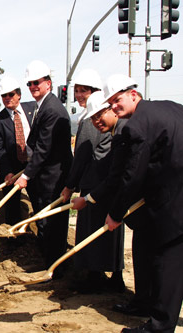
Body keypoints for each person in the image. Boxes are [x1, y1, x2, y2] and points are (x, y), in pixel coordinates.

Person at [102, 74, 183, 333]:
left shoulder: (136, 126)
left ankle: (159, 327)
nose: (114, 106)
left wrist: (115, 213)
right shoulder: (171, 106)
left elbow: (132, 176)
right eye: (111, 103)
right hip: (172, 192)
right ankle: (146, 304)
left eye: (118, 100)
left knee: (167, 261)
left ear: (133, 94)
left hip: (173, 202)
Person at [15, 60, 73, 276]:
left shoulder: (52, 109)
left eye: (36, 83)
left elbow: (44, 148)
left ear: (48, 83)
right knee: (45, 223)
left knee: (52, 225)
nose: (32, 87)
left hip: (53, 179)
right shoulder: (44, 106)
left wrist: (27, 175)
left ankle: (55, 269)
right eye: (29, 84)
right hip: (45, 176)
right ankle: (48, 263)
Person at [65, 91, 125, 293]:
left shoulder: (122, 129)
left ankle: (95, 276)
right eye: (77, 91)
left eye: (84, 90)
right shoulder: (113, 126)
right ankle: (111, 277)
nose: (80, 95)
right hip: (107, 185)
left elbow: (82, 155)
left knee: (96, 230)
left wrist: (73, 186)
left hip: (101, 185)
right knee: (108, 229)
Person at [0, 76, 35, 224]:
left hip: (34, 166)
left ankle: (40, 237)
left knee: (39, 202)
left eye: (11, 94)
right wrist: (7, 171)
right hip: (12, 169)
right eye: (4, 95)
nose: (7, 98)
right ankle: (13, 241)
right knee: (12, 208)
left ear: (19, 94)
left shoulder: (34, 109)